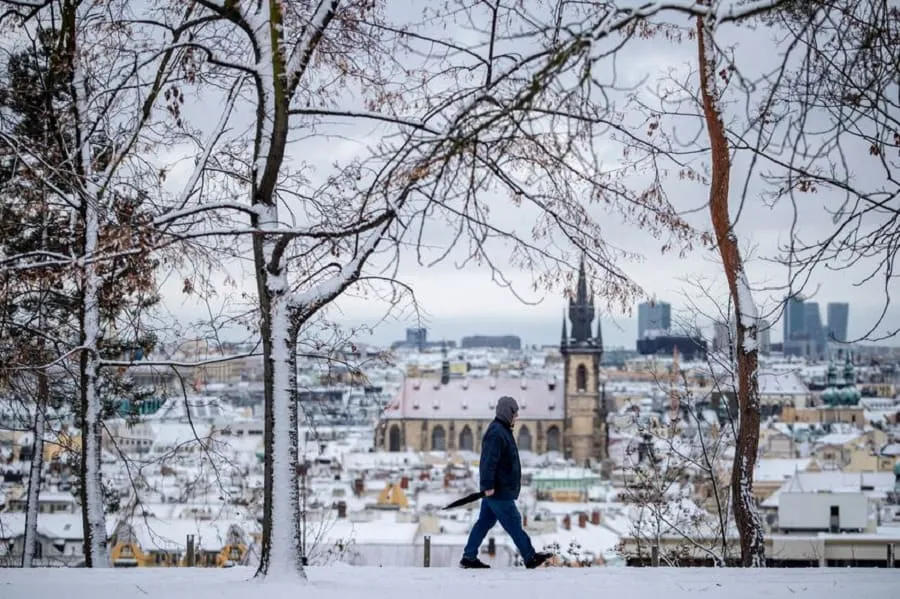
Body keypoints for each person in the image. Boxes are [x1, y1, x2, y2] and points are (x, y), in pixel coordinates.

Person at [460, 396, 553, 569]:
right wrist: (487, 486)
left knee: (485, 522)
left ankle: (469, 556)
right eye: (515, 413)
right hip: (497, 490)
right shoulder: (497, 432)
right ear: (507, 412)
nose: (516, 417)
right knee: (513, 521)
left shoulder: (502, 430)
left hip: (497, 489)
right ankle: (529, 556)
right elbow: (488, 461)